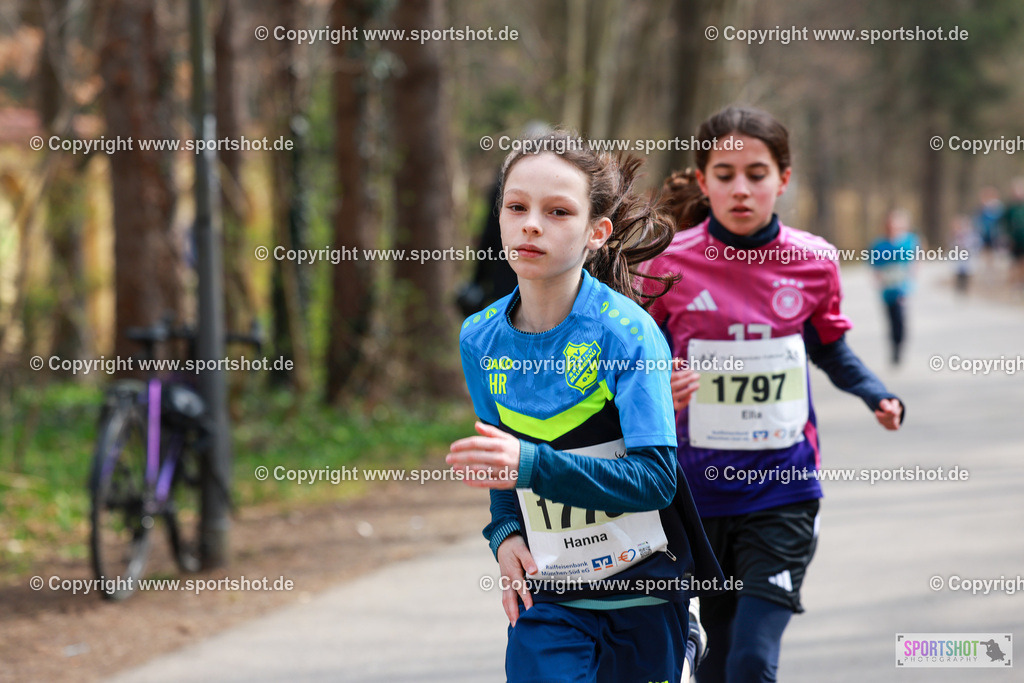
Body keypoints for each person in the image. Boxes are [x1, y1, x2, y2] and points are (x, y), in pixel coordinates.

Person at [448, 129, 723, 682]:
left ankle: (686, 634)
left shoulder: (628, 333)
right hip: (551, 597)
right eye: (516, 207)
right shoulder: (480, 337)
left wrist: (531, 464)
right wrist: (504, 536)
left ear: (596, 233)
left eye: (557, 212)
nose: (531, 224)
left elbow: (655, 481)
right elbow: (505, 473)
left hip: (642, 590)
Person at [644, 105, 905, 683]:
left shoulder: (812, 261)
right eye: (725, 173)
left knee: (753, 662)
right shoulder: (668, 264)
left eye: (756, 174)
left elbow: (830, 346)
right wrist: (660, 387)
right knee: (717, 660)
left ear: (783, 179)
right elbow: (636, 366)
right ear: (704, 179)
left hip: (782, 488)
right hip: (695, 491)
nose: (741, 189)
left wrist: (875, 393)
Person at [869, 209, 919, 365]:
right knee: (891, 319)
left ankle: (899, 344)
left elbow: (916, 259)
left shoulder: (909, 240)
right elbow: (874, 265)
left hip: (902, 287)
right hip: (887, 289)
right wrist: (878, 279)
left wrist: (912, 274)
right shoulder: (879, 244)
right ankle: (894, 347)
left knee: (900, 317)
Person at [1001, 178, 1024, 288]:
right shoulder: (1011, 208)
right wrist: (1008, 237)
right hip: (1015, 239)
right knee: (1013, 262)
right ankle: (1013, 284)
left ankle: (1021, 282)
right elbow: (1005, 224)